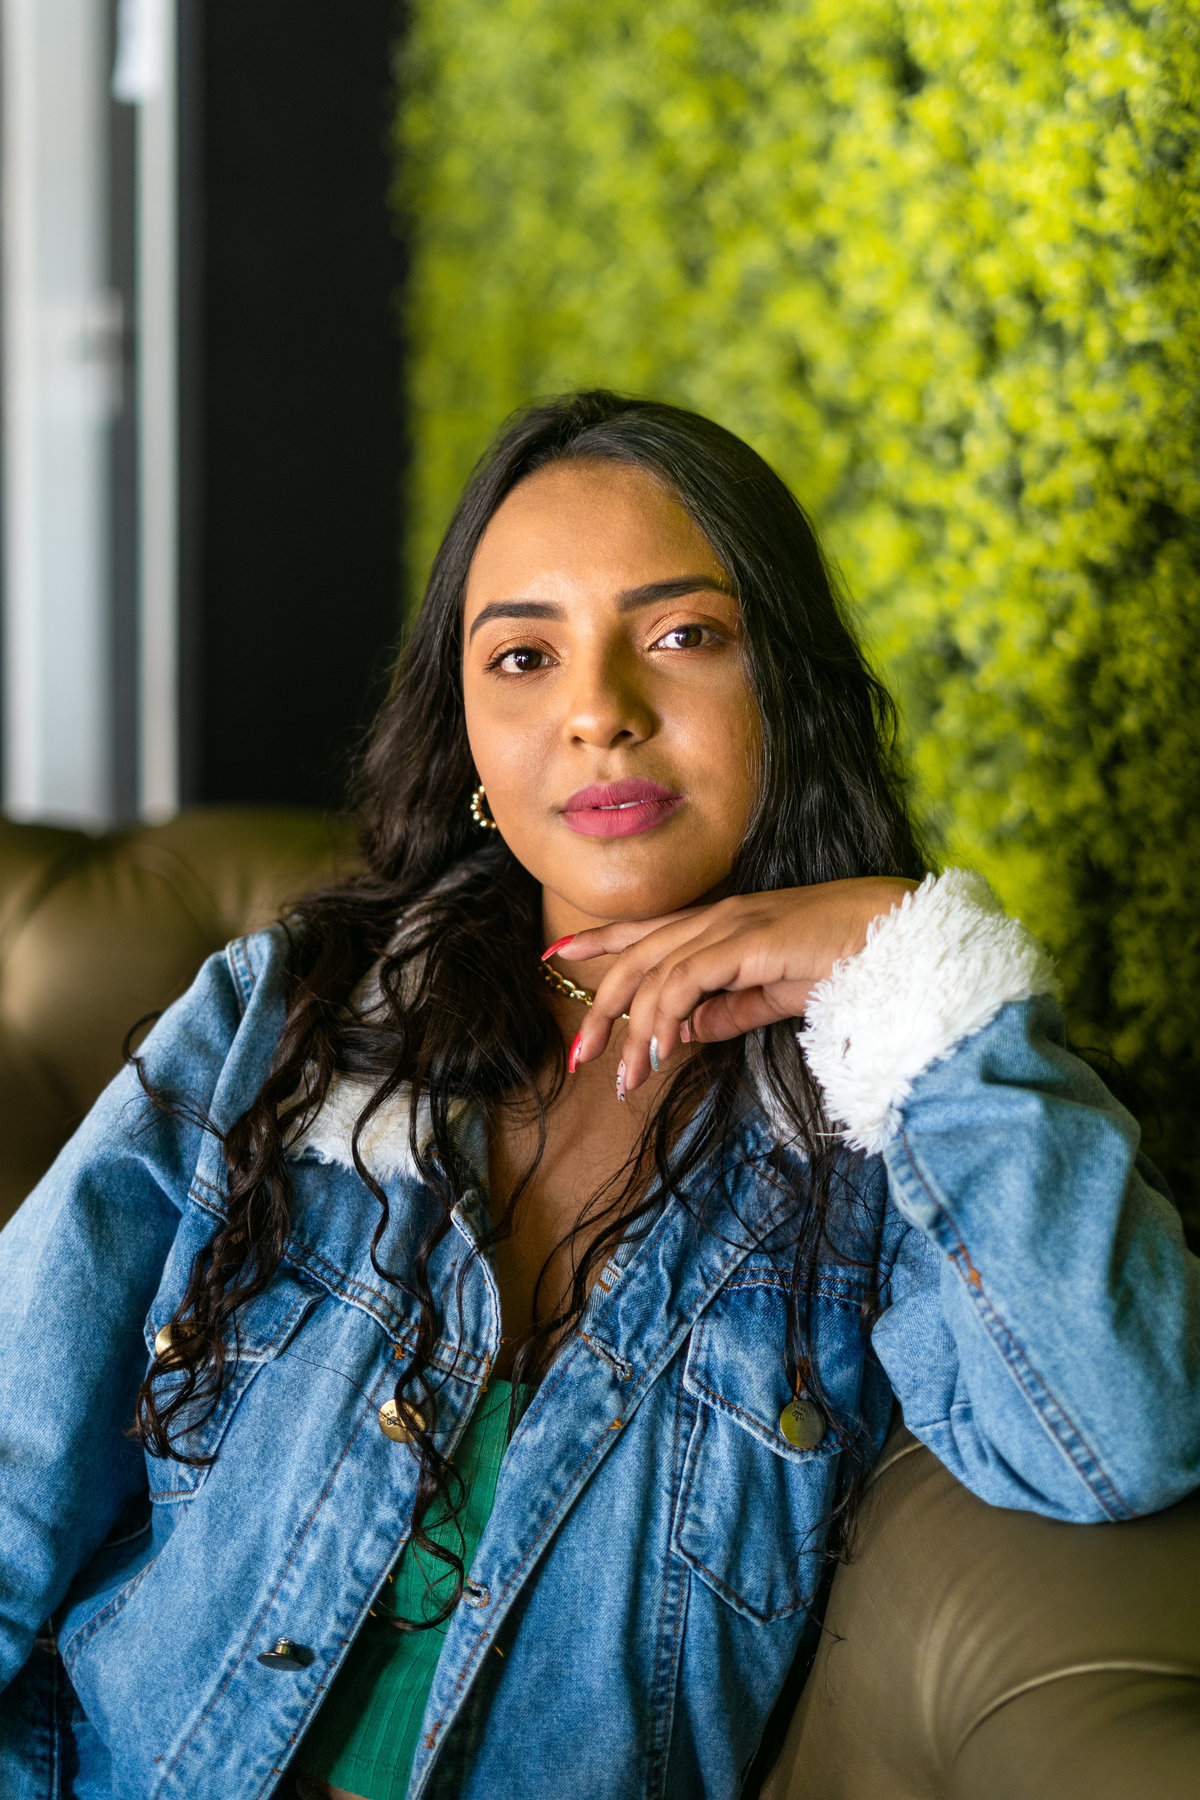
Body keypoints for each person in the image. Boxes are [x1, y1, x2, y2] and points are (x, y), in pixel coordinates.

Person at [0, 390, 1197, 1800]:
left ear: (785, 688)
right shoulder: (281, 1019)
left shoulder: (890, 1127)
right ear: (475, 751)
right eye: (523, 655)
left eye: (683, 636)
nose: (599, 715)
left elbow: (1117, 1436)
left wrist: (901, 958)